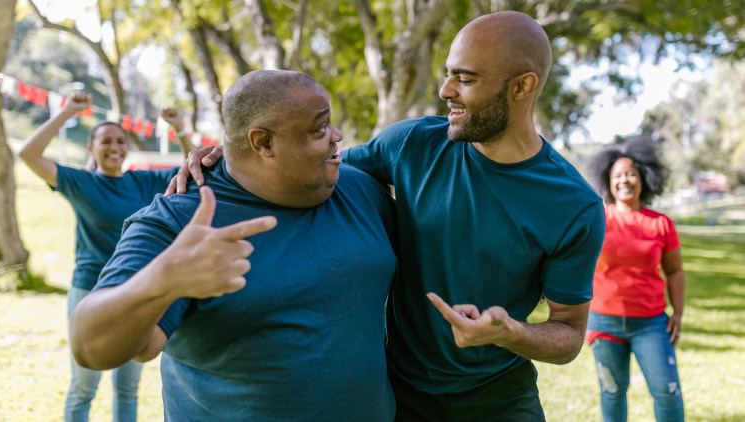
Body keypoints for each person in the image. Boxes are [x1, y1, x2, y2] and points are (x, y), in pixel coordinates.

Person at [172, 11, 605, 420]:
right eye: (448, 72)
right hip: (399, 395)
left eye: (465, 78)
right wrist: (230, 156)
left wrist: (509, 332)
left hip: (500, 401)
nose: (446, 90)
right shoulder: (412, 144)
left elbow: (568, 335)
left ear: (522, 86)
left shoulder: (574, 205)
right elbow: (302, 166)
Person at [69, 70, 398, 421]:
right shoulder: (181, 219)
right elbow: (90, 348)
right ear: (263, 143)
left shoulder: (359, 188)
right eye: (319, 128)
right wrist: (164, 279)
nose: (337, 135)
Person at [17, 93, 195, 422]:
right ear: (91, 148)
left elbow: (192, 168)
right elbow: (28, 154)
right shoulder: (81, 183)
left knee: (127, 388)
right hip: (89, 291)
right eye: (105, 141)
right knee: (84, 386)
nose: (115, 146)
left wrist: (179, 130)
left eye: (120, 140)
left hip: (135, 291)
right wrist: (68, 111)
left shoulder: (144, 181)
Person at [586, 139, 686, 421]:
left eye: (631, 174)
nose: (625, 180)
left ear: (643, 178)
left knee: (667, 392)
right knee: (612, 393)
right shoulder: (597, 220)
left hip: (651, 324)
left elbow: (675, 271)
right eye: (618, 175)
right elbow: (573, 262)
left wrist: (678, 312)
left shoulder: (661, 223)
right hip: (603, 323)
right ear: (608, 181)